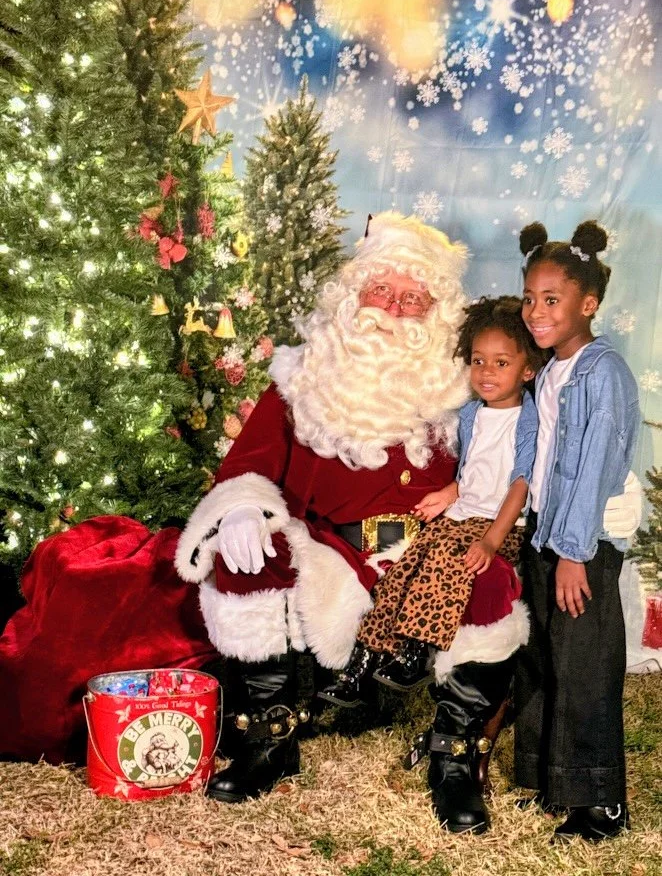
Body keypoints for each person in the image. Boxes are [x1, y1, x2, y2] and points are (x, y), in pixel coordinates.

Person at [174, 212, 532, 831]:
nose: (393, 309)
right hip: (330, 554)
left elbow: (524, 452)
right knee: (246, 557)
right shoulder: (300, 378)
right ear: (352, 296)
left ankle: (454, 757)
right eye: (381, 291)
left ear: (435, 314)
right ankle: (269, 738)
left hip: (426, 552)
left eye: (413, 298)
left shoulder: (466, 386)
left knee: (491, 584)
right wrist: (240, 508)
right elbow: (250, 462)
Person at [318, 296, 544, 712]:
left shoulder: (528, 419)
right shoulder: (474, 414)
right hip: (460, 517)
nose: (486, 373)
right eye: (478, 361)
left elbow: (519, 485)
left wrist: (492, 541)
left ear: (527, 370)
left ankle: (416, 652)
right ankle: (362, 664)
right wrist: (448, 494)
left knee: (443, 561)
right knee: (403, 568)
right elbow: (473, 471)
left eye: (501, 363)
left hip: (500, 526)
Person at [514, 220, 640, 843]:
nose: (536, 311)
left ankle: (600, 798)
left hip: (580, 545)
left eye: (552, 300)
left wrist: (573, 554)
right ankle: (548, 775)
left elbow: (594, 469)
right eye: (530, 298)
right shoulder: (548, 373)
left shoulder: (602, 373)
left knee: (586, 665)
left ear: (588, 304)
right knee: (542, 658)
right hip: (544, 534)